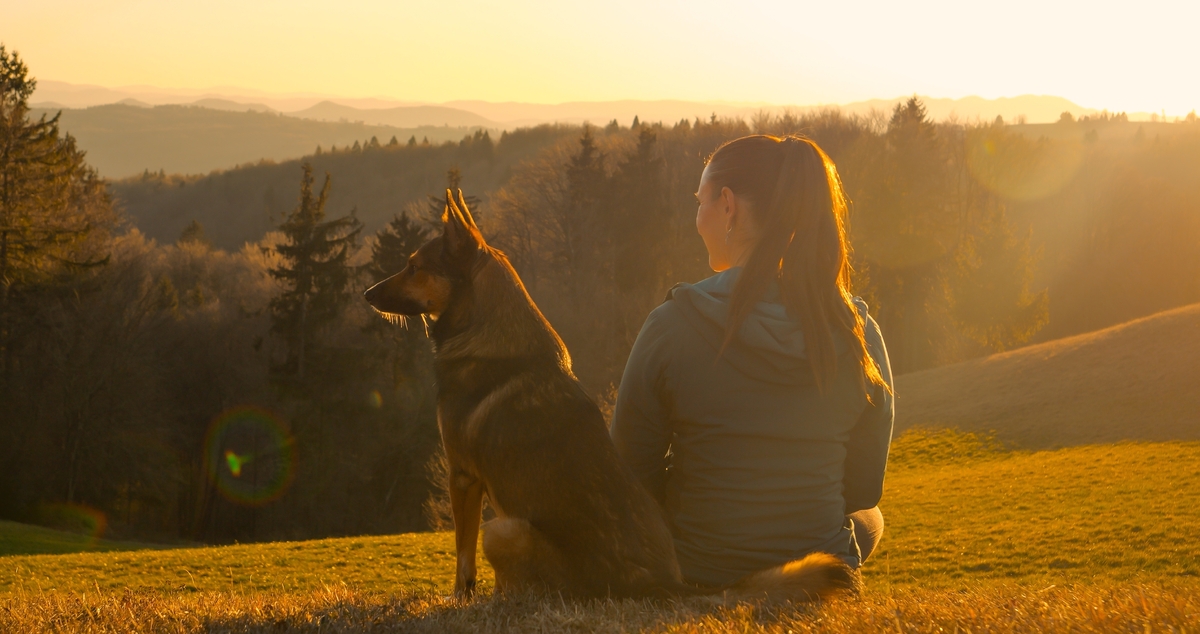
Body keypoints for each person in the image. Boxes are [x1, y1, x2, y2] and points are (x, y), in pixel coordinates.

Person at [609, 134, 894, 587]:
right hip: (816, 576)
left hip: (701, 570)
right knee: (871, 516)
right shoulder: (856, 330)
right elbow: (861, 487)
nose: (696, 218)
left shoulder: (672, 325)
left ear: (728, 205)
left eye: (699, 201)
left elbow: (629, 473)